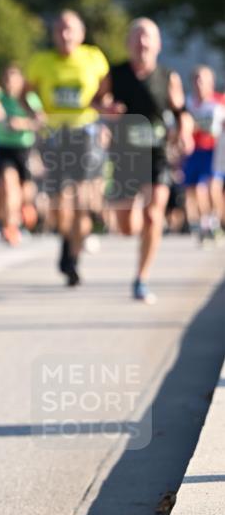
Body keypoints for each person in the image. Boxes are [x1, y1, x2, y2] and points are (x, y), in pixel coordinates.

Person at [94, 18, 193, 303]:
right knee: (127, 226)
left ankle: (141, 278)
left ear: (158, 44)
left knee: (154, 214)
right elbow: (94, 101)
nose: (143, 43)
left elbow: (181, 111)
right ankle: (135, 226)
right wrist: (107, 108)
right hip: (125, 154)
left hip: (156, 152)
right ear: (129, 44)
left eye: (148, 37)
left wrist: (185, 131)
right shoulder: (116, 73)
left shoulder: (168, 77)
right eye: (137, 37)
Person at [25, 10, 109, 285]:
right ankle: (66, 240)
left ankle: (72, 258)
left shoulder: (93, 58)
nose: (65, 35)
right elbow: (26, 93)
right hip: (54, 135)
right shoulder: (41, 61)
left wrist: (105, 113)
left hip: (85, 133)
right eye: (60, 29)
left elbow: (105, 93)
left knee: (82, 200)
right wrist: (35, 110)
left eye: (70, 29)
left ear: (81, 34)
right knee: (60, 204)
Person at [0, 64, 44, 245]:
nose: (10, 84)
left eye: (14, 81)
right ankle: (10, 226)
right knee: (7, 185)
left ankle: (26, 209)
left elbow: (41, 121)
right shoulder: (0, 98)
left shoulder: (28, 99)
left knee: (25, 191)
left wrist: (22, 123)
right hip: (4, 147)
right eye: (7, 81)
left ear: (21, 81)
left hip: (24, 148)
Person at [183, 65, 225, 242]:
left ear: (211, 82)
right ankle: (206, 222)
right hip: (194, 151)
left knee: (211, 187)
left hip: (214, 151)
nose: (199, 83)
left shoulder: (219, 102)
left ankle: (216, 222)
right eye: (196, 79)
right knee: (193, 189)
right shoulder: (188, 102)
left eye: (203, 79)